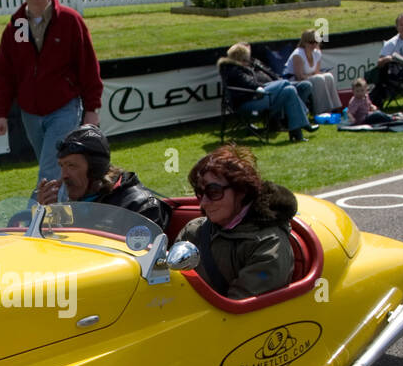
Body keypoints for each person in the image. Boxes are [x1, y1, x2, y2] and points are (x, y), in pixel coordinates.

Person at [0, 0, 102, 201]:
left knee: (50, 170)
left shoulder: (70, 20)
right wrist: (0, 112)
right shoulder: (18, 25)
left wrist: (92, 109)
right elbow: (5, 72)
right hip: (30, 113)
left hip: (64, 108)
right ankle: (72, 213)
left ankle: (37, 218)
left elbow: (88, 66)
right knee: (60, 169)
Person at [174, 145, 298, 300]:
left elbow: (241, 309)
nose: (204, 203)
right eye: (200, 192)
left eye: (213, 192)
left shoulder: (269, 244)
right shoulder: (194, 231)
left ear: (242, 190)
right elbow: (171, 286)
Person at [35, 125, 171, 232]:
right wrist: (45, 214)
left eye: (72, 165)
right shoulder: (74, 205)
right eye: (61, 166)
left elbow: (141, 261)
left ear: (96, 169)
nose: (64, 175)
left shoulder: (139, 206)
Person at [218, 42, 318, 143]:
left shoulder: (245, 65)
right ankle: (303, 121)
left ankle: (296, 134)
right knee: (285, 83)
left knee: (290, 90)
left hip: (258, 97)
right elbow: (249, 83)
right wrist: (260, 87)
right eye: (245, 59)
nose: (248, 61)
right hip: (249, 102)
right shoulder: (233, 69)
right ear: (239, 58)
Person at [283, 29, 342, 116]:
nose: (314, 44)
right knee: (318, 79)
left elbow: (316, 72)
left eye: (316, 42)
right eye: (311, 42)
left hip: (308, 78)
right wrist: (313, 76)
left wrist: (313, 75)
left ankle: (336, 108)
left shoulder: (317, 53)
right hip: (294, 81)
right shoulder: (298, 54)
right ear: (304, 42)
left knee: (328, 76)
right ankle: (321, 111)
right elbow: (299, 76)